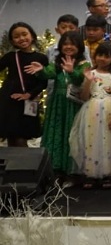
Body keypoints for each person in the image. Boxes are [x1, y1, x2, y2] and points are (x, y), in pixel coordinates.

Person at [26, 31, 90, 182]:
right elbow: (49, 73)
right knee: (55, 134)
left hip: (74, 105)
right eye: (65, 44)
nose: (68, 47)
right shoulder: (57, 62)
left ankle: (72, 172)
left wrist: (71, 71)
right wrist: (41, 70)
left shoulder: (84, 64)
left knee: (71, 135)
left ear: (79, 47)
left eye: (72, 44)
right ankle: (55, 170)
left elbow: (79, 80)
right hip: (57, 105)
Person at [69, 42, 111, 189]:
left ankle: (108, 174)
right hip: (91, 110)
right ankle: (90, 173)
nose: (102, 59)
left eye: (107, 56)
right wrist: (88, 81)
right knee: (90, 140)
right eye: (100, 55)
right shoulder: (90, 73)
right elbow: (84, 97)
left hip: (110, 110)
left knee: (109, 141)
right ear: (94, 56)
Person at [0, 23, 49, 147]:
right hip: (10, 100)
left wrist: (29, 94)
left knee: (22, 137)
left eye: (24, 34)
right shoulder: (10, 57)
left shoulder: (41, 58)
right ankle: (12, 160)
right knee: (11, 136)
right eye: (16, 37)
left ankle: (23, 161)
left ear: (32, 36)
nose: (21, 38)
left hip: (29, 101)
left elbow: (43, 82)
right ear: (12, 41)